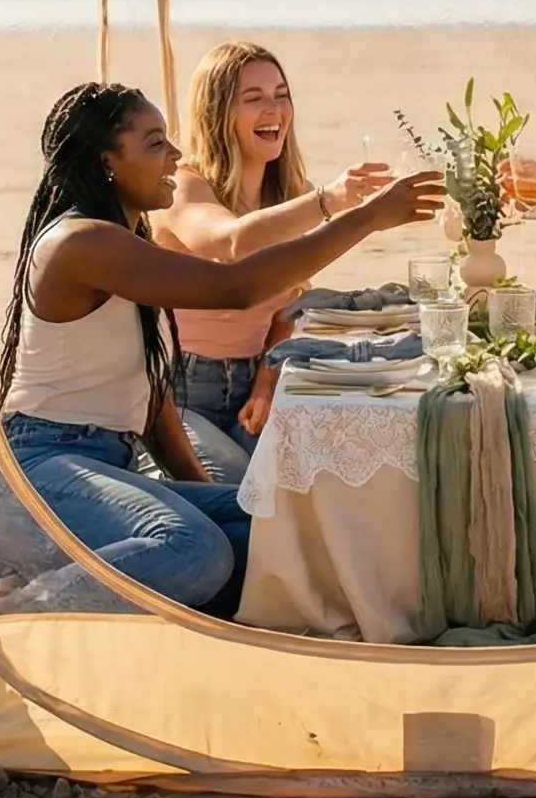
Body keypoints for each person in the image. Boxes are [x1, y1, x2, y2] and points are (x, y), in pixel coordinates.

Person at [0, 81, 441, 613]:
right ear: (108, 162)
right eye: (155, 143)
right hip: (34, 471)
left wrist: (213, 501)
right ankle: (14, 617)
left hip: (104, 465)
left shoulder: (128, 242)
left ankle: (106, 599)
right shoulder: (80, 243)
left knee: (280, 529)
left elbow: (153, 404)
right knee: (194, 550)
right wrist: (367, 216)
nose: (174, 153)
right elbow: (236, 286)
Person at [154, 42, 390, 480]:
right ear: (217, 112)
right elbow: (231, 245)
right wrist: (332, 202)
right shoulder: (184, 187)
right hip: (177, 393)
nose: (274, 109)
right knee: (236, 497)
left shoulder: (293, 196)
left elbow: (289, 306)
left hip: (251, 386)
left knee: (316, 482)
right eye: (254, 98)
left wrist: (265, 383)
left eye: (281, 95)